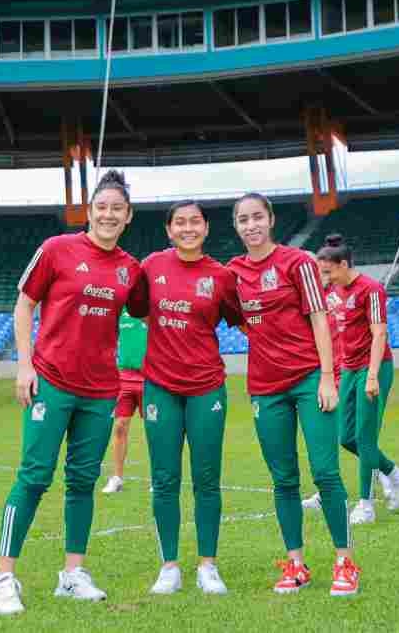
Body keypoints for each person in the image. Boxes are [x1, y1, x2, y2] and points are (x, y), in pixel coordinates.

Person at [0, 170, 146, 616]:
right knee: (34, 477)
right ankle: (2, 578)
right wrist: (23, 363)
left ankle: (72, 576)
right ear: (89, 210)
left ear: (128, 216)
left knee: (81, 482)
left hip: (99, 391)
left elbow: (148, 307)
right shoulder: (57, 249)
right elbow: (24, 303)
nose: (109, 214)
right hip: (51, 381)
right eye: (102, 207)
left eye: (118, 208)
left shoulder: (130, 270)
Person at [226, 193, 361, 597]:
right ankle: (297, 564)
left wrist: (326, 377)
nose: (251, 225)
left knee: (325, 471)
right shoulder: (232, 273)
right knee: (283, 479)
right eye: (243, 219)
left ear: (270, 220)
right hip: (264, 388)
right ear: (236, 226)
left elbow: (320, 318)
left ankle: (345, 561)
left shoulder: (297, 262)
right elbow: (235, 318)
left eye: (257, 217)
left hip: (307, 380)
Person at [127, 200, 242, 596]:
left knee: (207, 479)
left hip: (207, 386)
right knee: (164, 479)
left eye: (195, 221)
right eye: (180, 222)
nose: (188, 228)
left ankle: (208, 566)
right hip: (160, 385)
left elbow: (246, 322)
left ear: (207, 228)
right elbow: (139, 309)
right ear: (169, 229)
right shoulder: (152, 266)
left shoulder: (222, 276)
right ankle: (169, 567)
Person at [303, 234, 399, 525]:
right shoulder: (331, 294)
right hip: (347, 369)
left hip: (374, 367)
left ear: (343, 265)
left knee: (365, 437)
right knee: (346, 437)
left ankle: (365, 505)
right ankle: (396, 474)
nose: (323, 277)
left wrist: (373, 376)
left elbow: (379, 333)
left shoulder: (372, 289)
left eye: (327, 272)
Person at [102, 307, 148, 494]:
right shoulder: (120, 310)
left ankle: (158, 478)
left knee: (154, 431)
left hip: (150, 378)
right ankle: (117, 478)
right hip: (124, 377)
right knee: (120, 426)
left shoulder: (150, 307)